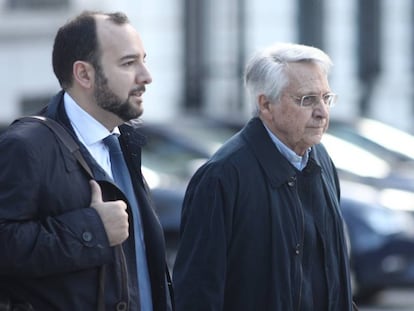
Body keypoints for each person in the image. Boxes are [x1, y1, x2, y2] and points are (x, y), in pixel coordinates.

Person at [0, 11, 173, 310]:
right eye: (129, 63)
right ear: (84, 74)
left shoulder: (125, 142)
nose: (146, 76)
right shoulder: (26, 146)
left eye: (143, 60)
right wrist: (92, 229)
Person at [173, 42, 357, 310]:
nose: (322, 112)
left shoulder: (321, 159)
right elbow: (198, 293)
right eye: (307, 100)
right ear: (266, 105)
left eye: (326, 98)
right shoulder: (222, 176)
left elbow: (335, 275)